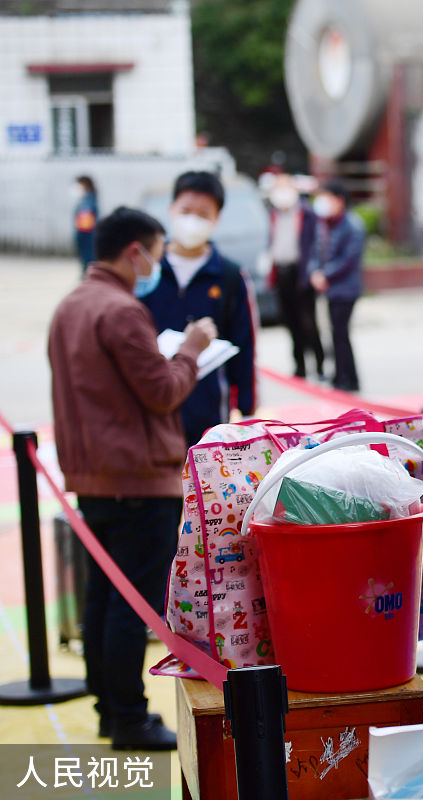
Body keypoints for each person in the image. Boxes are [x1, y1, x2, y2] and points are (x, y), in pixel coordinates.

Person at [49, 207, 216, 750]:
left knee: (102, 597)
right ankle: (128, 717)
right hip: (137, 479)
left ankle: (109, 708)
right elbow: (162, 392)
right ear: (135, 252)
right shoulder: (121, 311)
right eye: (157, 252)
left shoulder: (71, 306)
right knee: (130, 605)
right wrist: (190, 351)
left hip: (94, 478)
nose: (157, 265)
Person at [139, 171, 257, 447]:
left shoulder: (229, 276)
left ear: (217, 219)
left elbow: (245, 343)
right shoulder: (147, 270)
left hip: (209, 406)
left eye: (204, 214)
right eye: (186, 211)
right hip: (152, 400)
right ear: (171, 210)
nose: (193, 220)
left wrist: (248, 408)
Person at [308, 180, 365, 392]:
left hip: (346, 289)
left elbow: (348, 259)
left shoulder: (353, 225)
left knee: (341, 334)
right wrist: (315, 272)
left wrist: (325, 274)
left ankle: (349, 379)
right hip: (331, 289)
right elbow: (316, 252)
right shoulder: (325, 224)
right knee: (335, 333)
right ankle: (340, 376)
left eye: (327, 198)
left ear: (339, 200)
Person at [267, 173, 324, 380]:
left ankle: (319, 364)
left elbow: (316, 245)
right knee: (290, 322)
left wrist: (313, 270)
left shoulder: (307, 214)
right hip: (281, 272)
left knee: (308, 322)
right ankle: (299, 366)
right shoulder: (273, 215)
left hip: (301, 273)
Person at [72, 175, 99, 273]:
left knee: (88, 262)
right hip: (87, 236)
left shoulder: (88, 200)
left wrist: (80, 236)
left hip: (86, 236)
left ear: (85, 185)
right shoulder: (88, 198)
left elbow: (86, 222)